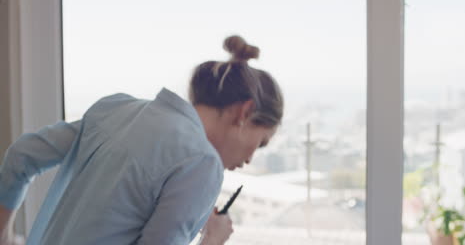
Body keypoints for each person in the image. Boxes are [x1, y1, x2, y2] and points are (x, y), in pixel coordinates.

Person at [0, 35, 283, 245]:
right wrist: (213, 239)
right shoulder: (201, 164)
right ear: (244, 112)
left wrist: (5, 235)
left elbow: (21, 154)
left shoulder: (117, 110)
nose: (248, 160)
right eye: (260, 143)